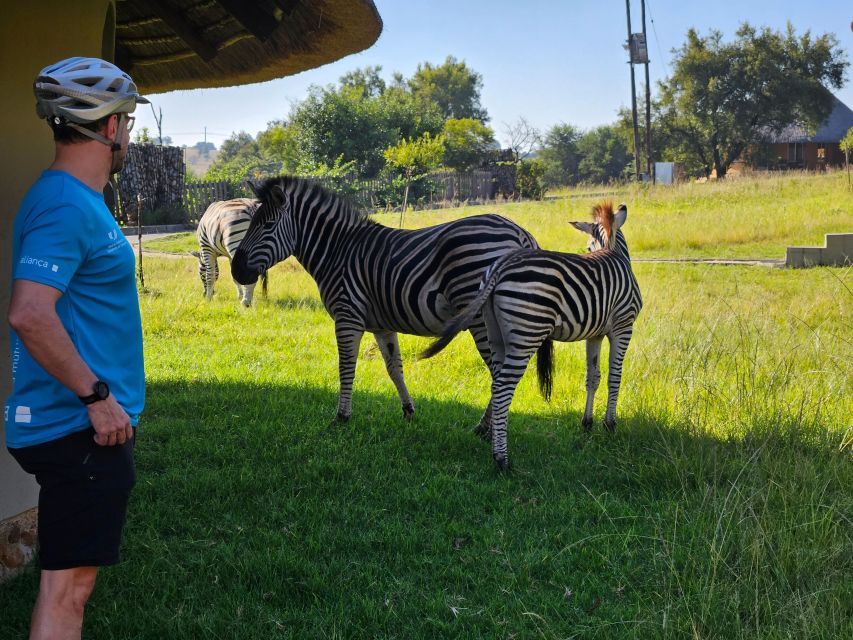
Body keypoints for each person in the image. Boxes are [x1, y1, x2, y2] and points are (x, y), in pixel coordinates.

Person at [5, 57, 147, 640]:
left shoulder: (74, 199)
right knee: (70, 590)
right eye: (128, 122)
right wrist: (97, 398)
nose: (129, 133)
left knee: (64, 585)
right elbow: (29, 313)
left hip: (77, 426)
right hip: (80, 429)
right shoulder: (67, 203)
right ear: (110, 128)